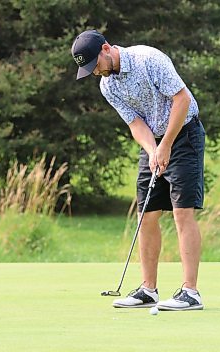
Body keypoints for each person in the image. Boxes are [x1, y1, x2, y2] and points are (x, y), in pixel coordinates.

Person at [71, 30, 205, 310]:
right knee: (146, 214)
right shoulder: (108, 86)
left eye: (95, 64)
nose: (94, 71)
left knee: (182, 212)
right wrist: (153, 150)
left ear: (106, 49)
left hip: (184, 135)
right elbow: (135, 124)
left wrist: (166, 144)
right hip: (153, 142)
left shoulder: (148, 59)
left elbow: (182, 100)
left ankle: (190, 292)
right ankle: (148, 289)